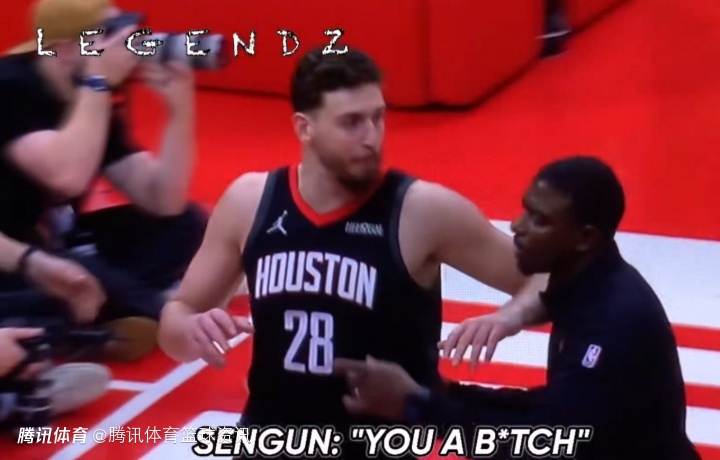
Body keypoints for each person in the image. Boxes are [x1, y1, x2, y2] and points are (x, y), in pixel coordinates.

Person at [158, 47, 548, 459]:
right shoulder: (249, 202)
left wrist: (509, 317)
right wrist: (189, 329)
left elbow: (551, 277)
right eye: (352, 122)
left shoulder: (423, 211)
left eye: (378, 117)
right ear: (304, 128)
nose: (371, 137)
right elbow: (175, 320)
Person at [334, 156, 701, 460]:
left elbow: (548, 443)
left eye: (540, 220)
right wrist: (449, 394)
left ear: (585, 238)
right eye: (526, 210)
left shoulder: (612, 322)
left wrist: (419, 406)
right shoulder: (586, 286)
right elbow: (552, 409)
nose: (516, 226)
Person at [0, 0, 206, 360]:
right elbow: (66, 176)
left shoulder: (88, 94)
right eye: (108, 36)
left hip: (52, 242)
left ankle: (108, 312)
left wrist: (180, 109)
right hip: (11, 253)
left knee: (187, 224)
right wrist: (97, 83)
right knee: (79, 274)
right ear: (66, 47)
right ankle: (135, 312)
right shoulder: (10, 88)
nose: (123, 47)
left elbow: (163, 200)